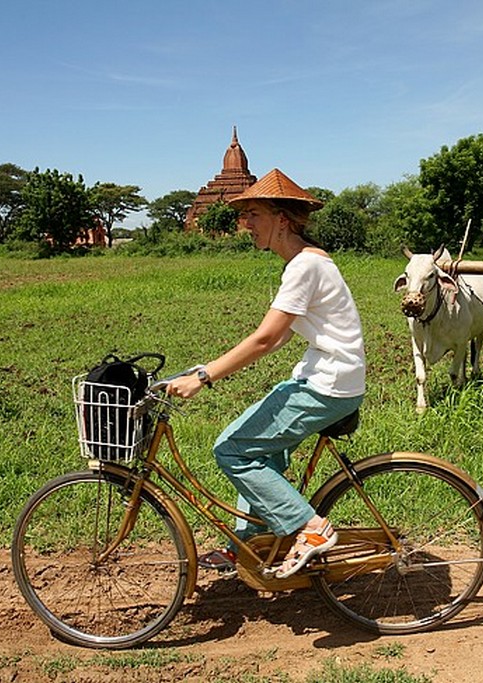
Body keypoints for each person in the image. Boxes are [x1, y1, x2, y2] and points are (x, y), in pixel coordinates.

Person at [165, 168, 366, 579]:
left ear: (281, 219)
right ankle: (247, 548)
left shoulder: (304, 267)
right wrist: (202, 367)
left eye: (253, 213)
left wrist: (203, 379)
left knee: (232, 449)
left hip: (329, 385)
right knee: (259, 450)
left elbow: (265, 338)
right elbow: (277, 340)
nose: (246, 224)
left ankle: (311, 529)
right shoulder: (305, 262)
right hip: (324, 378)